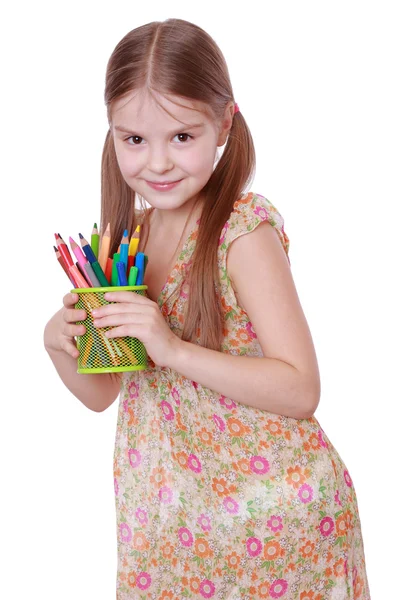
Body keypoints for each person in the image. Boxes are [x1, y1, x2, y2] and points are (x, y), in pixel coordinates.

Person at [44, 18, 371, 600]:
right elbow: (102, 393)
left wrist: (170, 347)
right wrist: (58, 341)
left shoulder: (241, 232)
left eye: (182, 137)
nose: (159, 163)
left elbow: (301, 389)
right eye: (135, 140)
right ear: (112, 134)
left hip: (272, 529)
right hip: (172, 536)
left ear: (223, 122)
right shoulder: (129, 243)